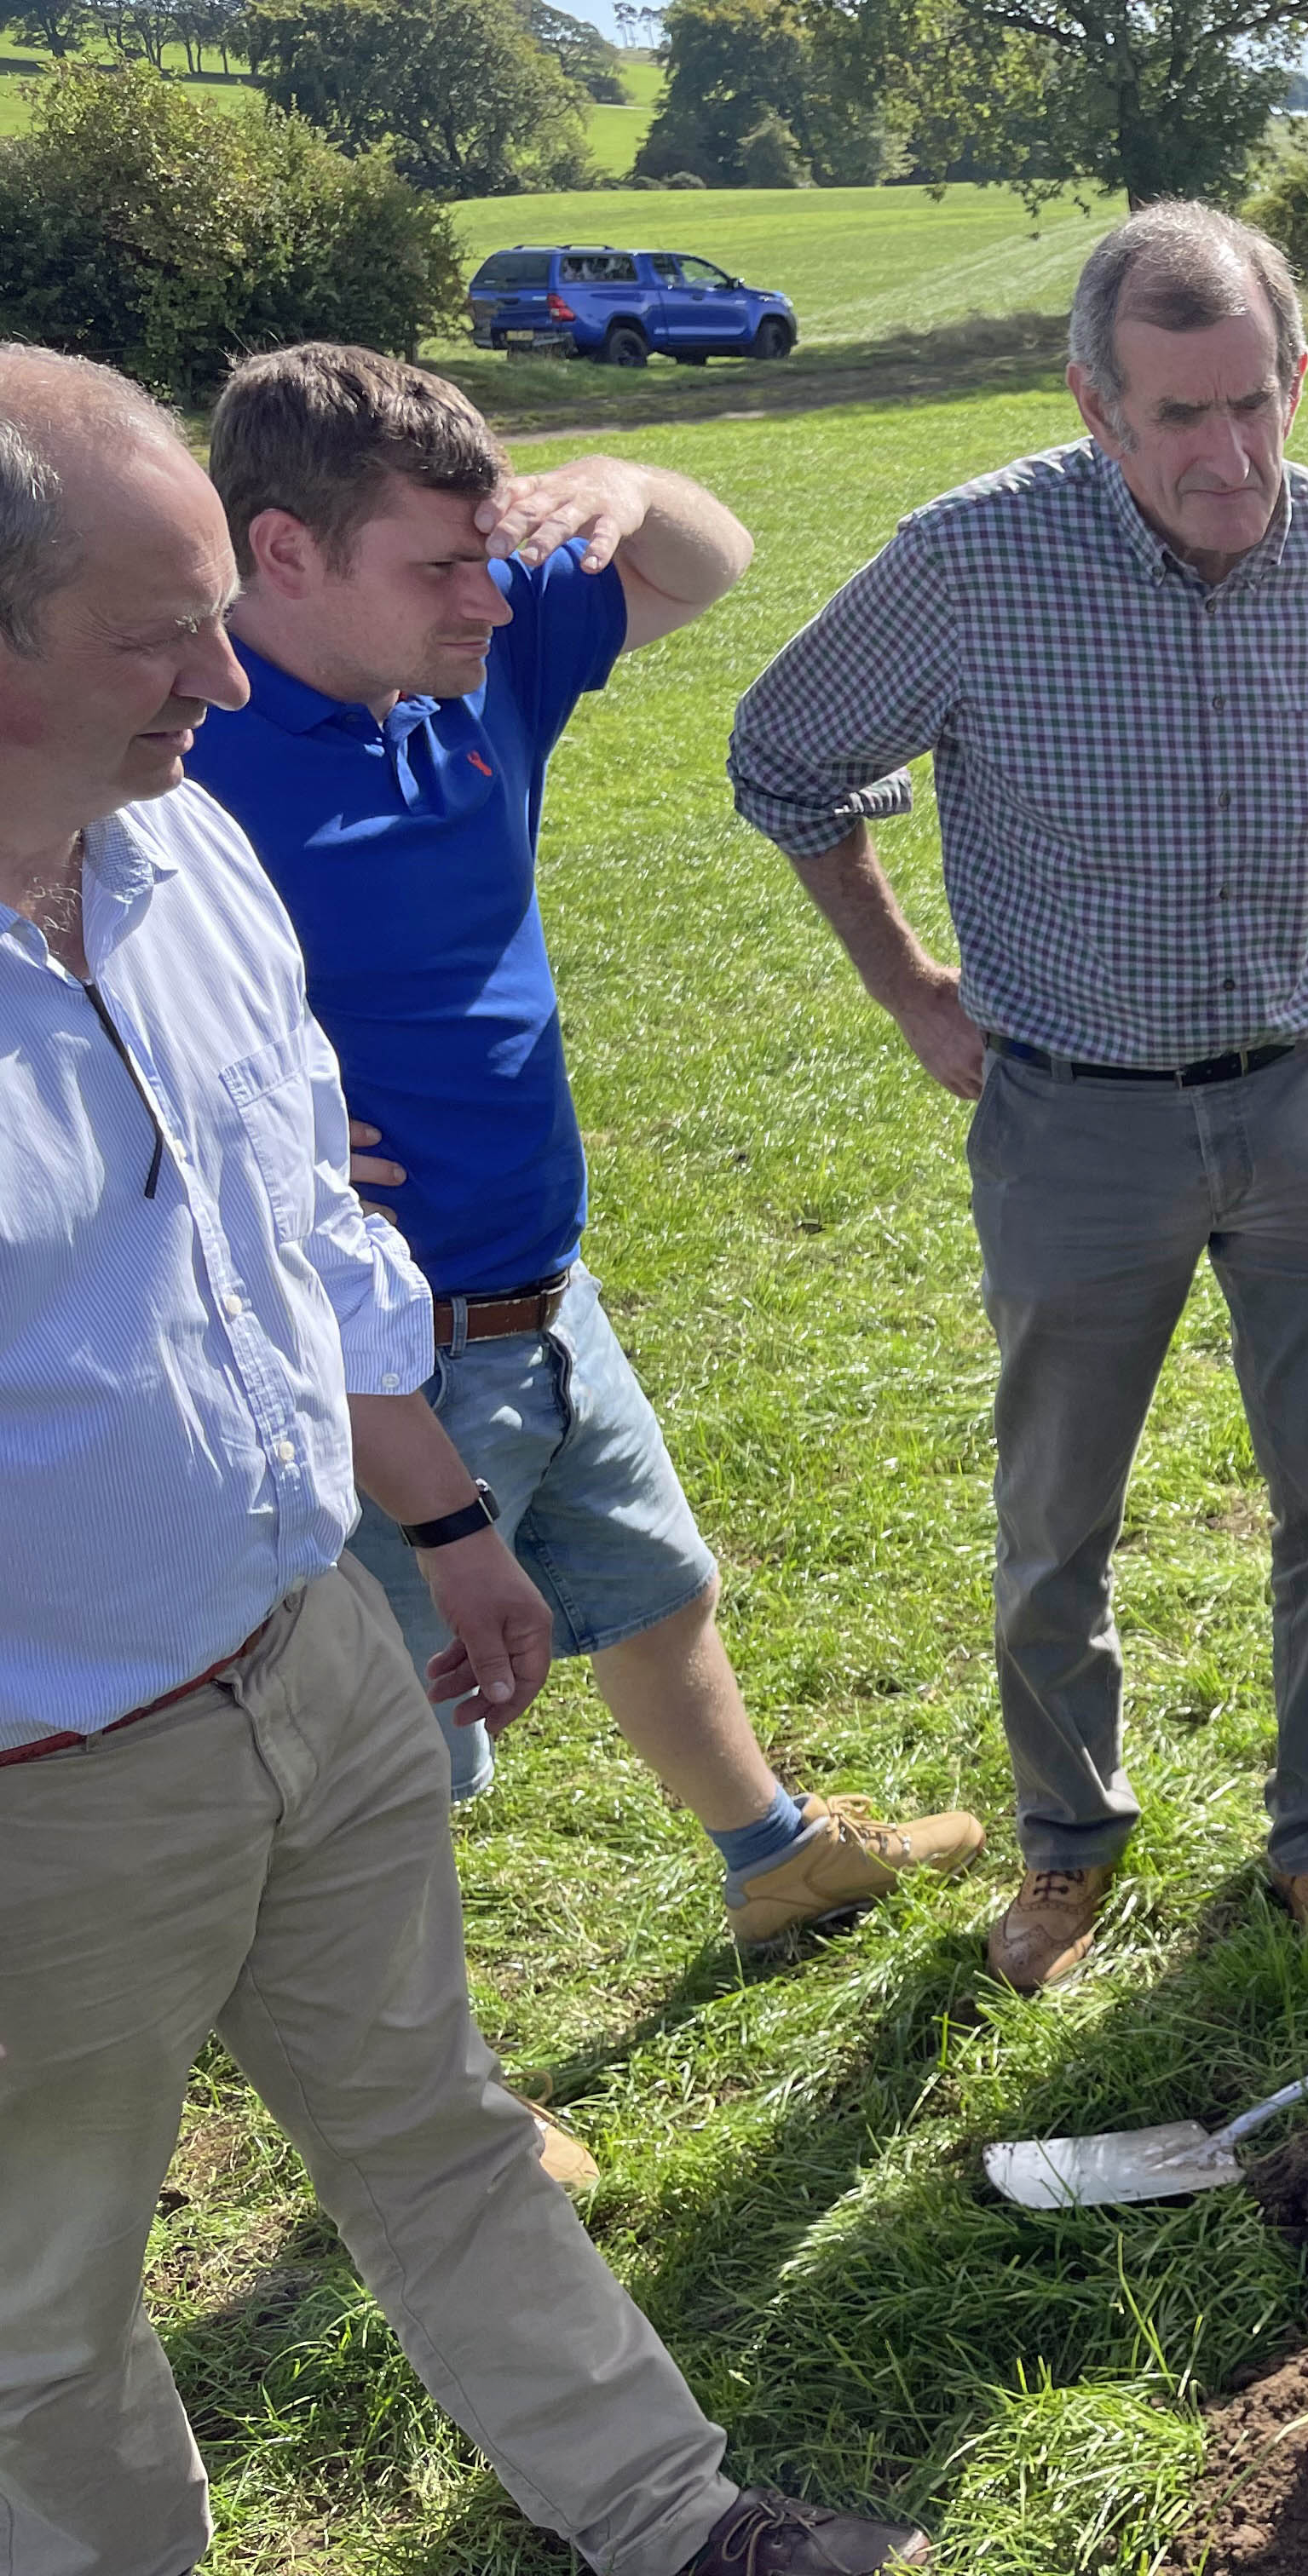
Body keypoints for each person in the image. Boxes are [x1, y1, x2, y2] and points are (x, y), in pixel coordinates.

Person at [0, 346, 929, 2576]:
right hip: (50, 1783)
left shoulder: (179, 855)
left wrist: (435, 1517)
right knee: (43, 2319)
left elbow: (296, 1234)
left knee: (437, 2136)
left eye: (222, 612)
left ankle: (672, 2524)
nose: (218, 680)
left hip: (309, 1638)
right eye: (155, 636)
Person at [183, 354, 984, 2108]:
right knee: (397, 1750)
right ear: (284, 555)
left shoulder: (471, 660)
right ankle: (434, 2087)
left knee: (652, 1589)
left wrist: (621, 471)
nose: (491, 595)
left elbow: (707, 555)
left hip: (544, 1286)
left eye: (498, 555)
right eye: (441, 564)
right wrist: (238, 1147)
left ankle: (771, 1854)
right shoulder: (182, 744)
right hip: (370, 1350)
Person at [731, 202, 1308, 1995]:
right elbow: (782, 753)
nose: (1229, 456)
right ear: (1094, 402)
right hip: (1079, 1118)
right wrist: (913, 986)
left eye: (1257, 402)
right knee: (1057, 1507)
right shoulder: (973, 564)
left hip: (1307, 1106)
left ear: (1297, 376)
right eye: (1178, 418)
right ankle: (1068, 1847)